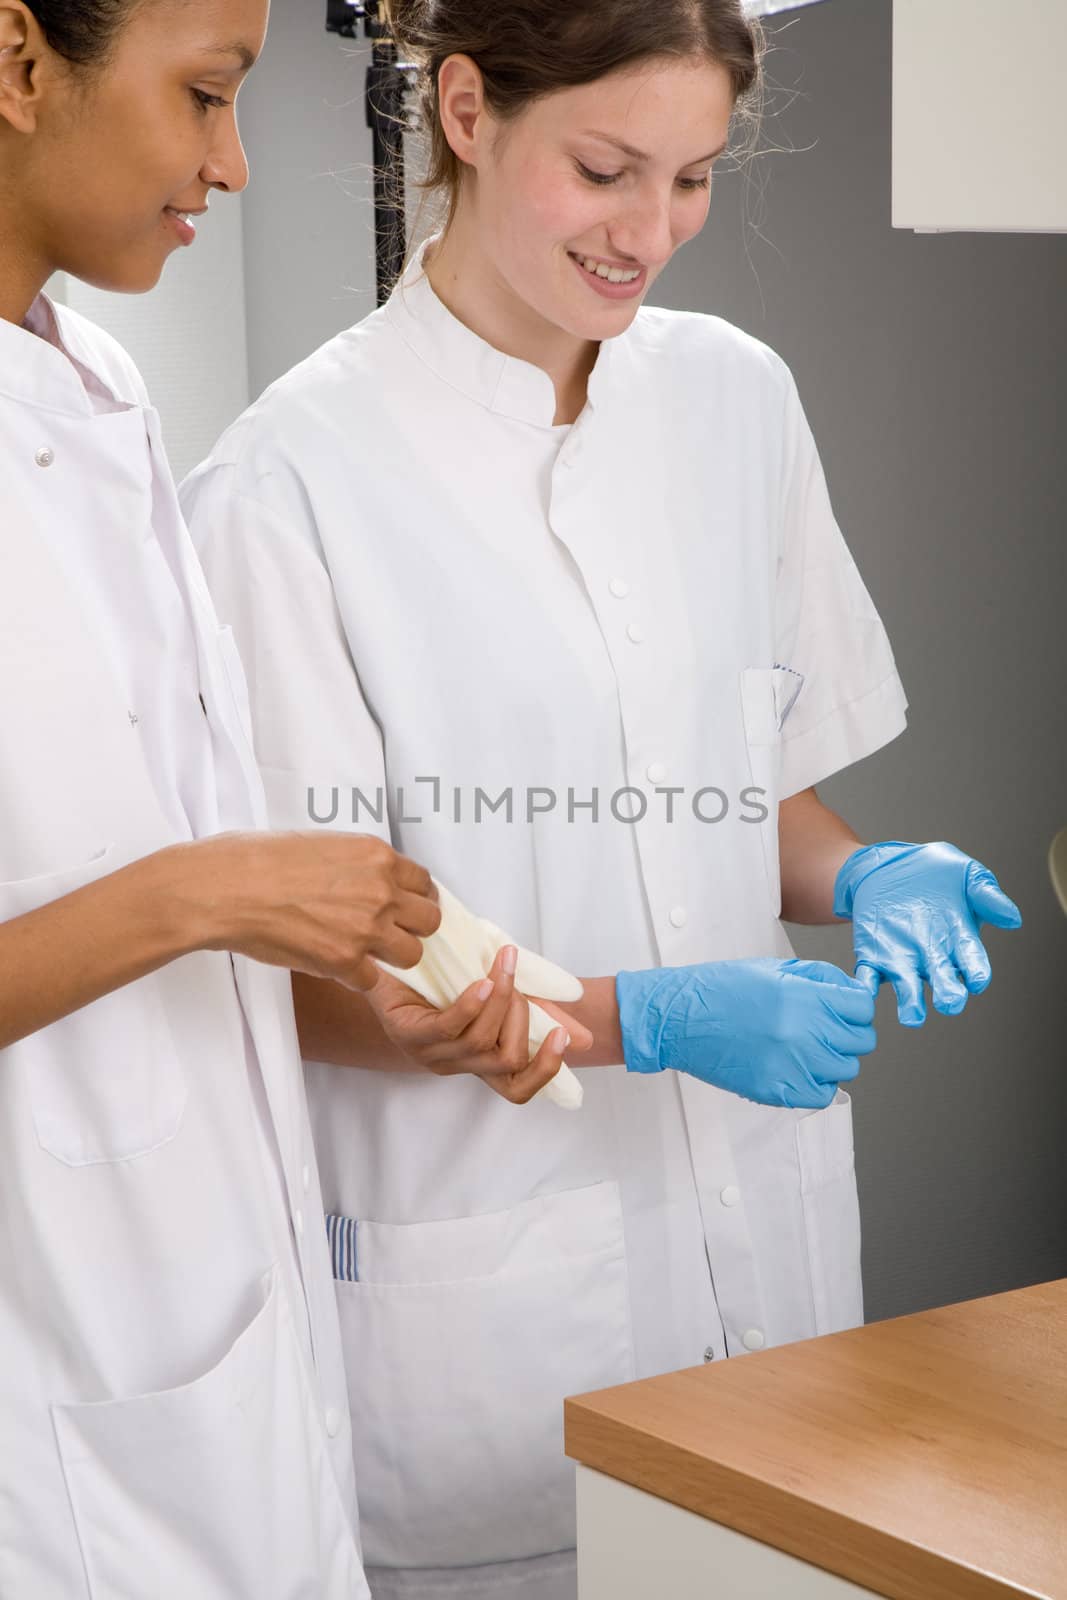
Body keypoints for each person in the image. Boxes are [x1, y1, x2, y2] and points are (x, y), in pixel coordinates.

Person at [182, 3, 1022, 1596]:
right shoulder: (289, 484)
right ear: (470, 108)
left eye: (695, 177)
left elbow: (735, 788)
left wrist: (867, 870)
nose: (651, 233)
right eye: (606, 169)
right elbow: (296, 981)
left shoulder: (734, 401)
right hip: (494, 1334)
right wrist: (638, 1016)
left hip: (768, 1294)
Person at [0, 1, 460, 1593]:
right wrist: (222, 891)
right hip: (54, 1409)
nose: (236, 164)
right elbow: (160, 888)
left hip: (216, 1356)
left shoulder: (95, 389)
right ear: (17, 62)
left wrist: (334, 1001)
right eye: (205, 97)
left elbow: (99, 863)